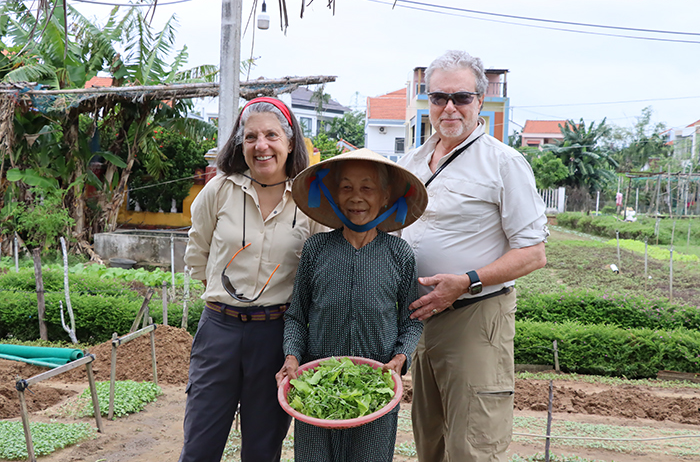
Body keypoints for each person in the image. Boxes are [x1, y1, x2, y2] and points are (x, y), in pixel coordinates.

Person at [399, 50, 549, 462]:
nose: (449, 107)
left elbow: (533, 253)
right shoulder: (412, 161)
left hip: (475, 316)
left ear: (480, 102)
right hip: (421, 322)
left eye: (461, 97)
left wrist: (465, 280)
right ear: (426, 102)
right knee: (430, 441)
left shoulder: (504, 163)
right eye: (438, 97)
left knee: (473, 446)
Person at [180, 96, 326, 462]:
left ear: (291, 142)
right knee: (200, 445)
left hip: (276, 336)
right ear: (240, 143)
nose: (261, 146)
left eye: (272, 136)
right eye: (251, 137)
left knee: (263, 449)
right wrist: (221, 301)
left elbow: (320, 271)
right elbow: (197, 254)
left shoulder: (310, 200)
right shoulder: (219, 190)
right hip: (219, 332)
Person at [275, 148, 428, 462]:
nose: (356, 197)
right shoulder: (317, 248)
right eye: (346, 187)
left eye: (367, 188)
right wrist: (292, 357)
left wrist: (400, 357)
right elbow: (296, 315)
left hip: (376, 387)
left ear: (385, 197)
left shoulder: (398, 253)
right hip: (317, 384)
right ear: (333, 196)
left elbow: (411, 320)